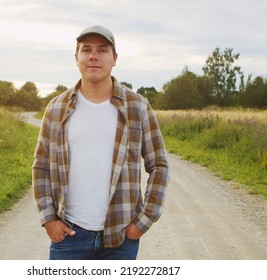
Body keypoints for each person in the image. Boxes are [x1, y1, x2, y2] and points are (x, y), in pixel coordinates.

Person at [32, 25, 169, 260]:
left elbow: (159, 165)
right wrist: (49, 219)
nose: (93, 56)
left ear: (114, 58)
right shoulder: (56, 108)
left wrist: (142, 223)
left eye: (102, 50)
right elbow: (41, 166)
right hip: (69, 237)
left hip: (120, 239)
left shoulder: (138, 107)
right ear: (76, 58)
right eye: (86, 50)